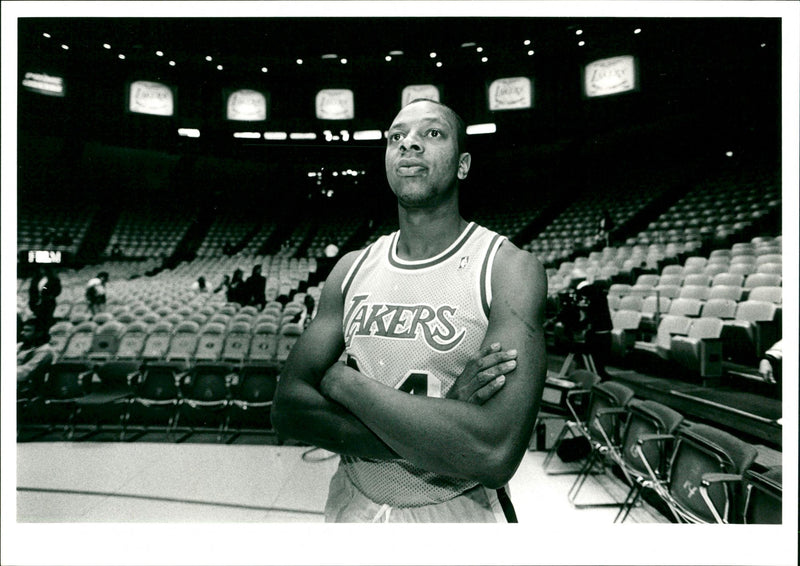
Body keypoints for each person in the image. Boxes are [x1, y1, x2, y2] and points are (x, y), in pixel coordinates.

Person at [272, 98, 547, 523]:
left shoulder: (507, 268)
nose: (409, 145)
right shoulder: (351, 267)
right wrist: (442, 424)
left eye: (431, 134)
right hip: (351, 502)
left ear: (463, 164)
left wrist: (342, 382)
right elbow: (288, 409)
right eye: (396, 137)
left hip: (458, 512)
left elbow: (493, 453)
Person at [17, 316, 55, 395]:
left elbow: (25, 373)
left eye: (27, 330)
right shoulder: (19, 346)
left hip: (27, 389)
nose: (22, 333)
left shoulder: (45, 351)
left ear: (39, 333)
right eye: (23, 330)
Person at [29, 265, 61, 333]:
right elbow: (32, 290)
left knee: (46, 321)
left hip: (48, 304)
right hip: (37, 303)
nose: (42, 270)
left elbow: (57, 290)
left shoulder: (53, 279)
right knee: (38, 322)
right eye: (40, 269)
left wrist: (46, 292)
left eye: (43, 269)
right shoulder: (36, 279)